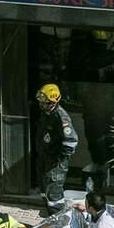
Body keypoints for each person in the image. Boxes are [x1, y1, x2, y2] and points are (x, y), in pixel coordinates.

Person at [34, 83, 79, 215]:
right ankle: (48, 219)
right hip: (44, 159)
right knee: (45, 192)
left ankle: (59, 223)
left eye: (44, 103)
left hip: (55, 163)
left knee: (54, 198)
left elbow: (71, 141)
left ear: (52, 102)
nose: (41, 105)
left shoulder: (61, 117)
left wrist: (59, 161)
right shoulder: (46, 114)